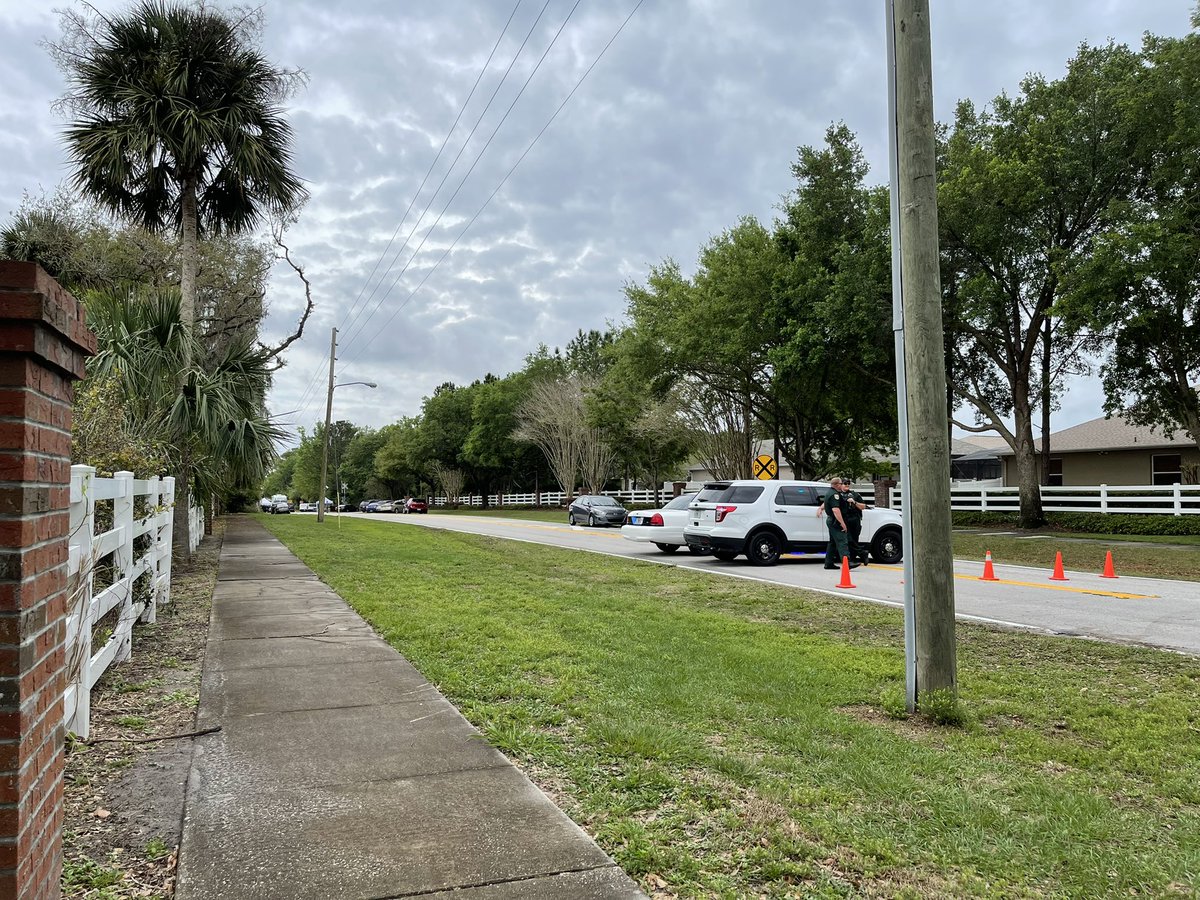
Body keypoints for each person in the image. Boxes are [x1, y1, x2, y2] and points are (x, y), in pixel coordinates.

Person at [823, 477, 860, 570]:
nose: (842, 485)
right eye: (840, 483)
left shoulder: (830, 493)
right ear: (836, 484)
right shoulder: (834, 495)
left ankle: (829, 563)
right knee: (842, 541)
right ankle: (847, 563)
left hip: (832, 520)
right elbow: (836, 510)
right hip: (836, 521)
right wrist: (842, 523)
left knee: (832, 542)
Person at [842, 479, 868, 565]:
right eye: (845, 483)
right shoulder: (838, 494)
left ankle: (853, 559)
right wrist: (821, 507)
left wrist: (854, 502)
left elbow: (863, 506)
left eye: (848, 483)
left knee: (854, 539)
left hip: (854, 519)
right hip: (844, 519)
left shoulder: (854, 494)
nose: (847, 485)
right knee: (848, 540)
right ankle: (862, 553)